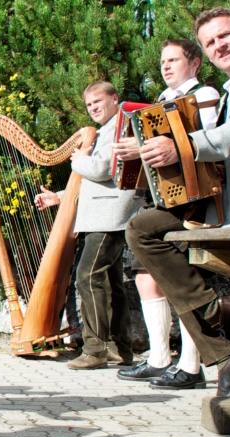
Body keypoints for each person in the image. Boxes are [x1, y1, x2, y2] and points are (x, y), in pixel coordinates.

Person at [127, 7, 230, 398]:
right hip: (224, 201)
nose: (219, 46)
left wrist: (182, 147)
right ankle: (220, 330)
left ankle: (220, 333)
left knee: (144, 231)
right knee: (143, 228)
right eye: (209, 42)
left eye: (224, 36)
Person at [113, 39, 220, 389]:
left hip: (193, 199)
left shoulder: (204, 97)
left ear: (195, 63)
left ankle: (191, 365)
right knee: (146, 276)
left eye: (173, 59)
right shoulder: (159, 102)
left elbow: (207, 142)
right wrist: (134, 156)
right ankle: (160, 358)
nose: (166, 66)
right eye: (162, 61)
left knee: (178, 276)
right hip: (160, 197)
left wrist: (141, 149)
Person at [34, 82, 141, 371]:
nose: (93, 107)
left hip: (111, 214)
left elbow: (102, 169)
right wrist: (57, 197)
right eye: (89, 104)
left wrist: (79, 160)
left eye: (98, 101)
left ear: (115, 99)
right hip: (102, 212)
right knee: (113, 282)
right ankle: (121, 348)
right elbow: (93, 181)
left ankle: (95, 349)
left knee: (87, 275)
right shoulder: (105, 130)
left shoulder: (120, 125)